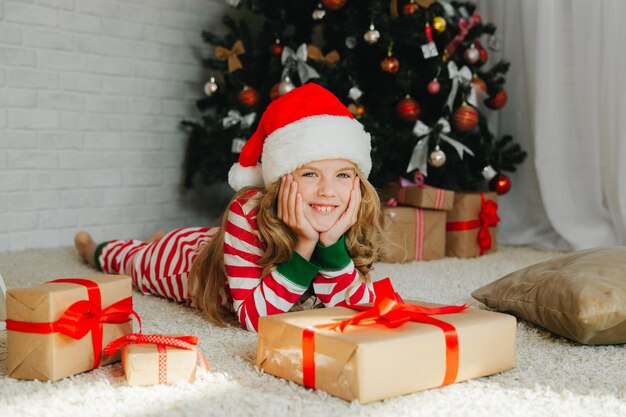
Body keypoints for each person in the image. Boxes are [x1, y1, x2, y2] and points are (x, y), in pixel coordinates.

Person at [75, 83, 384, 332]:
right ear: (280, 180)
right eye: (310, 174)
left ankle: (160, 237)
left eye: (343, 175)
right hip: (187, 264)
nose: (328, 190)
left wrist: (330, 246)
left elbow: (359, 309)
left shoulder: (345, 212)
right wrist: (305, 245)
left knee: (177, 240)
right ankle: (92, 247)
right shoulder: (247, 211)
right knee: (134, 259)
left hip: (220, 243)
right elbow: (254, 318)